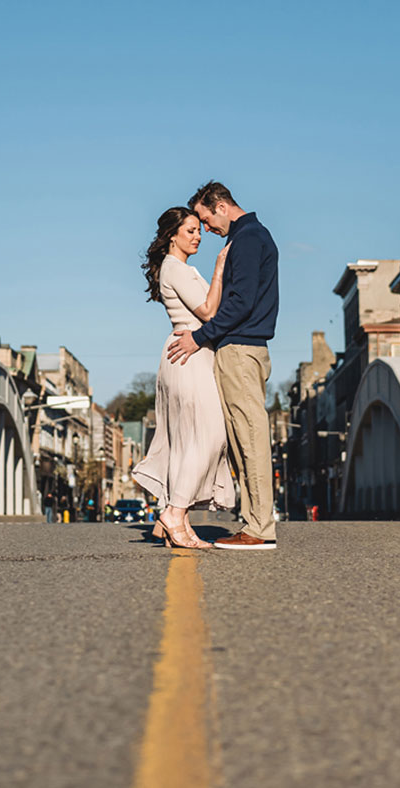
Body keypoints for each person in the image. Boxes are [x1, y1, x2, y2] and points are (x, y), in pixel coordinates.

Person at [167, 181, 279, 551]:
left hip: (241, 349)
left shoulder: (247, 239)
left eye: (204, 218)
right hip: (242, 349)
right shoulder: (252, 236)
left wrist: (200, 338)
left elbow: (240, 303)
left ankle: (259, 528)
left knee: (249, 439)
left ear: (220, 206)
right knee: (240, 440)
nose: (208, 229)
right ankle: (253, 523)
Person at [132, 206, 237, 549]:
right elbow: (207, 312)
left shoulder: (176, 268)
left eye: (199, 230)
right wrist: (220, 269)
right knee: (209, 434)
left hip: (188, 350)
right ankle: (175, 513)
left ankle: (179, 520)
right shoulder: (176, 268)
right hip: (188, 352)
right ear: (172, 234)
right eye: (191, 230)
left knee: (188, 439)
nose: (198, 236)